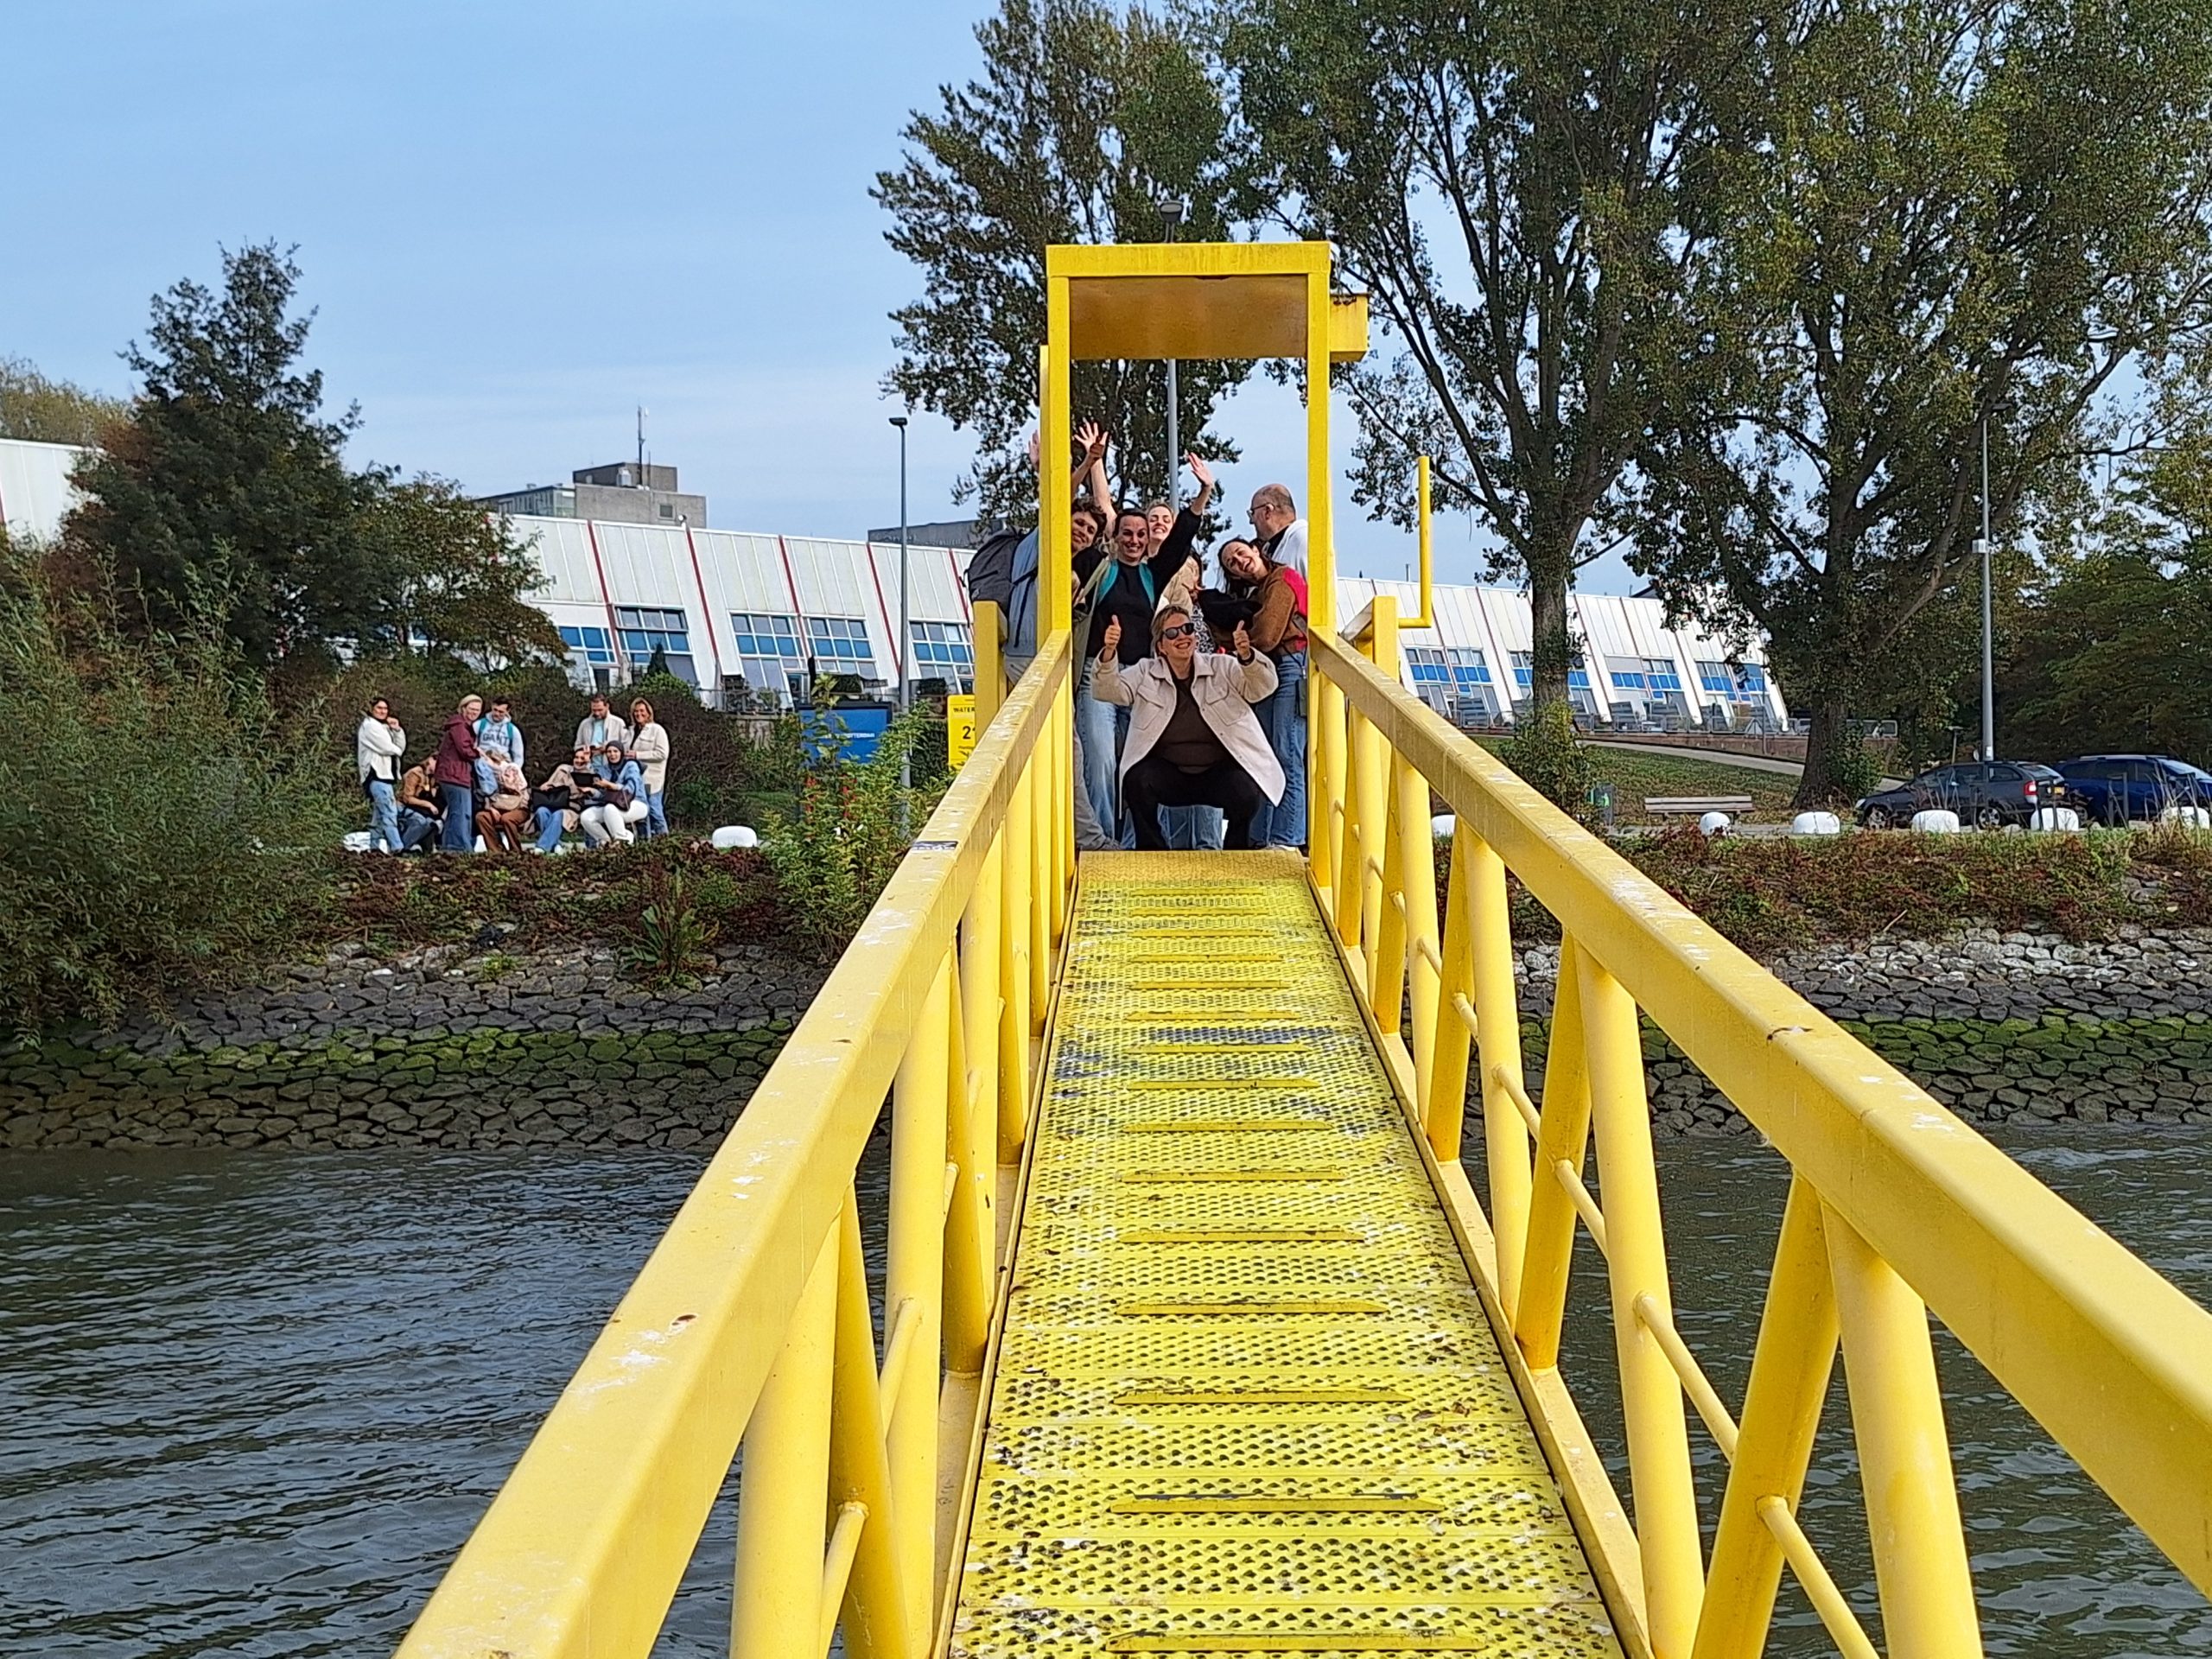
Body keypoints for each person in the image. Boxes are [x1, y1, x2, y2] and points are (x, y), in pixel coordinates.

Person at [1075, 454, 1218, 840]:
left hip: (1142, 679)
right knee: (1102, 761)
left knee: (1139, 761)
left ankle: (1137, 841)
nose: (1135, 540)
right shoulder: (1098, 566)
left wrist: (1204, 492)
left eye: (1141, 535)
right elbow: (1069, 539)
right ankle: (1102, 841)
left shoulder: (1153, 573)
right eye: (1128, 533)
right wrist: (1090, 465)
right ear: (1115, 537)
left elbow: (1181, 537)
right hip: (1100, 676)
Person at [1090, 606, 1283, 851]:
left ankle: (1236, 852)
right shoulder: (1145, 671)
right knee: (1137, 780)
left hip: (1217, 775)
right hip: (1169, 775)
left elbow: (1263, 688)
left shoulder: (1222, 666)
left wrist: (1247, 656)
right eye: (1172, 633)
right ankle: (1152, 853)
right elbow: (1108, 691)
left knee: (1246, 788)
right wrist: (1109, 652)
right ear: (1161, 646)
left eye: (1188, 629)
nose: (1182, 636)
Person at [1221, 536, 1309, 849]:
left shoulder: (1282, 579)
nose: (1239, 562)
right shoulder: (1259, 592)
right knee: (1265, 753)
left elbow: (1268, 635)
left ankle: (1287, 838)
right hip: (1270, 667)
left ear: (1256, 550)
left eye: (1240, 553)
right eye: (1232, 563)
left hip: (1291, 662)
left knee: (1286, 752)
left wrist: (1238, 643)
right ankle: (1262, 837)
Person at [355, 696, 407, 854]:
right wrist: (397, 749)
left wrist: (397, 730)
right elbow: (387, 748)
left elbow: (400, 746)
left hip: (386, 776)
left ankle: (374, 848)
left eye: (385, 708)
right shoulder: (370, 726)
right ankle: (397, 847)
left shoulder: (384, 727)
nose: (383, 711)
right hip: (376, 776)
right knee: (389, 812)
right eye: (379, 708)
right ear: (372, 709)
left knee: (378, 816)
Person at [433, 696, 485, 852]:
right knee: (462, 813)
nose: (474, 712)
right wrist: (478, 753)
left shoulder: (460, 726)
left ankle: (449, 847)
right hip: (455, 775)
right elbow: (465, 750)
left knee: (455, 812)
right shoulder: (460, 727)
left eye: (477, 710)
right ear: (463, 708)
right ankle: (459, 847)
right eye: (471, 709)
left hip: (452, 774)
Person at [578, 742, 651, 846]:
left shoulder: (631, 765)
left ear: (621, 753)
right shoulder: (605, 769)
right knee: (586, 816)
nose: (612, 754)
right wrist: (592, 792)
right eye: (609, 752)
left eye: (615, 751)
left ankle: (623, 841)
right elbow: (603, 795)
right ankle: (606, 842)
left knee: (610, 808)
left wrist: (611, 785)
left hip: (635, 803)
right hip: (612, 806)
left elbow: (630, 789)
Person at [530, 747, 594, 852]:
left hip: (571, 808)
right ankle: (556, 844)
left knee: (558, 814)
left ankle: (541, 847)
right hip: (553, 802)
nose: (578, 760)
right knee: (541, 811)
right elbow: (549, 783)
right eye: (576, 757)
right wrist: (546, 786)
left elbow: (590, 782)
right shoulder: (563, 769)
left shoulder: (587, 774)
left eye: (582, 758)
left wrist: (587, 764)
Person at [473, 747, 531, 854]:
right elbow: (488, 797)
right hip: (498, 807)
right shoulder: (486, 776)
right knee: (481, 816)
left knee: (507, 818)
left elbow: (521, 788)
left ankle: (515, 850)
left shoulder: (510, 768)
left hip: (519, 807)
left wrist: (505, 782)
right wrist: (491, 809)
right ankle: (496, 850)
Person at [629, 697, 671, 839]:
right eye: (636, 711)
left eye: (642, 711)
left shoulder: (657, 730)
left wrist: (638, 755)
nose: (638, 714)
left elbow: (662, 754)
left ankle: (664, 842)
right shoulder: (631, 731)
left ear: (649, 713)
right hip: (635, 779)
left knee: (654, 810)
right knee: (640, 814)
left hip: (652, 778)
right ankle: (644, 843)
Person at [1248, 483, 1308, 575]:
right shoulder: (1275, 549)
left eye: (1253, 513)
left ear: (1267, 511)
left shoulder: (1303, 539)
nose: (1251, 521)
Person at [395, 752, 443, 853]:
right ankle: (404, 847)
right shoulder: (415, 773)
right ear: (431, 760)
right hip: (402, 806)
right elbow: (408, 798)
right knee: (420, 821)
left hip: (417, 808)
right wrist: (428, 805)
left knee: (431, 823)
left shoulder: (431, 779)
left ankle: (420, 846)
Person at [474, 696, 525, 774]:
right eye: (495, 710)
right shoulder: (479, 725)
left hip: (503, 767)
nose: (497, 714)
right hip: (482, 764)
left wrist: (514, 772)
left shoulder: (513, 730)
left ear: (507, 711)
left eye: (501, 712)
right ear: (492, 706)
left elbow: (518, 755)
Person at [575, 694, 631, 760]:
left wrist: (609, 748)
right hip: (589, 763)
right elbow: (577, 746)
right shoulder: (584, 724)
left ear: (607, 706)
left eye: (600, 710)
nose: (597, 713)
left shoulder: (618, 723)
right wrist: (587, 750)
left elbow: (626, 745)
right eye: (594, 710)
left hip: (610, 763)